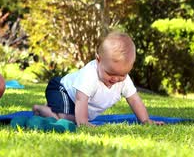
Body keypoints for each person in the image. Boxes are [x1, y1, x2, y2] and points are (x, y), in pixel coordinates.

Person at [32, 31, 164, 126]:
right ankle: (42, 109)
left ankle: (53, 110)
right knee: (67, 119)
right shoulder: (90, 75)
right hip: (62, 89)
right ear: (98, 60)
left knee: (72, 118)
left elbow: (135, 100)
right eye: (110, 73)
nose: (115, 79)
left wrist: (145, 120)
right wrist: (83, 123)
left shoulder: (124, 79)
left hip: (76, 102)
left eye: (122, 75)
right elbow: (81, 98)